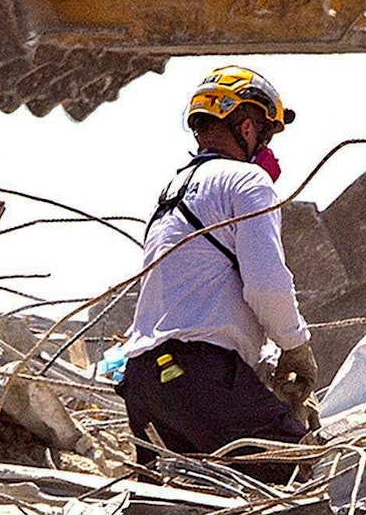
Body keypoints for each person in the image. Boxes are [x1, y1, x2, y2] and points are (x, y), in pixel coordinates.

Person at [117, 65, 318, 484]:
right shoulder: (247, 180)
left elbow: (197, 305)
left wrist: (261, 368)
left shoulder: (173, 192)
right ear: (247, 128)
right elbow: (266, 284)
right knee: (303, 473)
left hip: (144, 382)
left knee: (190, 502)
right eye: (265, 136)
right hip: (196, 374)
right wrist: (295, 347)